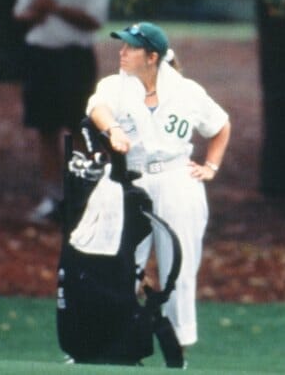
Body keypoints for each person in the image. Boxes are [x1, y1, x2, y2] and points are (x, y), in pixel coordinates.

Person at [86, 22, 230, 352]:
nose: (122, 52)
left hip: (176, 178)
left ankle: (177, 350)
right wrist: (114, 131)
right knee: (119, 265)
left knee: (179, 267)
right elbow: (97, 109)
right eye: (122, 45)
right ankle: (109, 345)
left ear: (152, 57)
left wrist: (211, 166)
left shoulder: (187, 91)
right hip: (129, 178)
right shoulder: (114, 85)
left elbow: (220, 126)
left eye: (131, 47)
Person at [13, 0, 110, 223]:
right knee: (46, 129)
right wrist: (37, 12)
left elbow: (95, 19)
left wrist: (56, 8)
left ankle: (79, 196)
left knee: (78, 128)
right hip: (40, 56)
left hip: (73, 58)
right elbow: (20, 13)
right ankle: (52, 196)